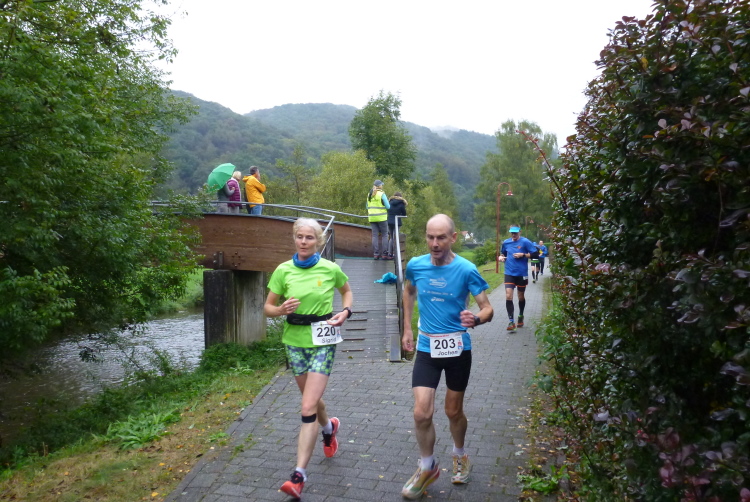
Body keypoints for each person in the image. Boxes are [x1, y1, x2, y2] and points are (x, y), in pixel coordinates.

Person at [400, 214, 494, 499]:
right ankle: (427, 466)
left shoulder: (466, 269)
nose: (434, 243)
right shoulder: (416, 265)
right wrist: (407, 328)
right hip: (427, 348)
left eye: (441, 238)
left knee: (453, 411)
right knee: (421, 412)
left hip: (457, 349)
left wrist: (476, 319)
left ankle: (460, 454)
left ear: (453, 238)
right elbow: (408, 291)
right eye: (430, 237)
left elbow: (487, 308)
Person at [264, 217, 353, 500]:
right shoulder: (283, 270)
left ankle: (299, 475)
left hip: (323, 341)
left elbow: (347, 291)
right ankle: (329, 427)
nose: (303, 242)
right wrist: (280, 310)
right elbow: (267, 307)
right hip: (294, 342)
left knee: (306, 407)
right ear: (294, 238)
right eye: (299, 237)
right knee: (311, 400)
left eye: (309, 237)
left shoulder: (330, 268)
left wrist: (345, 312)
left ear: (319, 241)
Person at [498, 225, 539, 331]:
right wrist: (501, 257)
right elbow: (503, 253)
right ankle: (511, 321)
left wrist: (523, 255)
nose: (514, 235)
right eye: (512, 233)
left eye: (515, 233)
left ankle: (521, 315)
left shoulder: (525, 242)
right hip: (509, 273)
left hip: (521, 273)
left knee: (520, 296)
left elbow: (536, 254)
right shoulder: (506, 242)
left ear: (520, 232)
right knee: (508, 296)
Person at [366, 180, 390, 260]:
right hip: (381, 217)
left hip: (372, 217)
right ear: (379, 186)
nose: (382, 186)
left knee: (374, 235)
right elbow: (388, 206)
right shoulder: (382, 194)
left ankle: (376, 254)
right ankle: (384, 254)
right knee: (385, 235)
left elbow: (367, 206)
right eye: (381, 185)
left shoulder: (369, 194)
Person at [386, 191, 408, 260]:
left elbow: (388, 210)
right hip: (397, 222)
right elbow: (404, 213)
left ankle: (389, 253)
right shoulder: (401, 203)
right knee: (396, 238)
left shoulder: (390, 202)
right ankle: (394, 254)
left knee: (391, 238)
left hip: (389, 221)